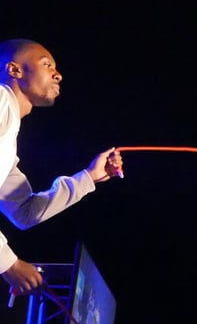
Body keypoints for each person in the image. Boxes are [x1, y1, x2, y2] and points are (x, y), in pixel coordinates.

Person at [0, 38, 123, 299]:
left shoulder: (7, 141)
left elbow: (24, 211)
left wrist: (89, 177)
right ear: (15, 70)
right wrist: (7, 262)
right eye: (46, 65)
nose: (58, 74)